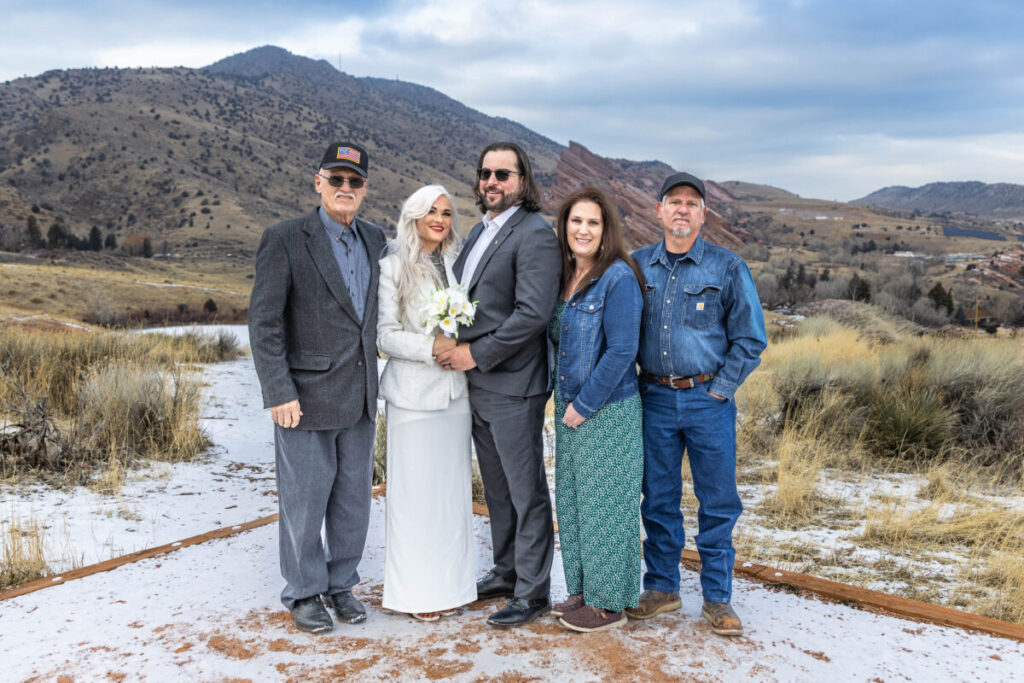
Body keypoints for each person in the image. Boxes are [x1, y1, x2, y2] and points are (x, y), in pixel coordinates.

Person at [248, 142, 385, 634]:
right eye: (336, 179)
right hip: (302, 398)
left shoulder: (375, 239)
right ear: (318, 181)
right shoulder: (284, 239)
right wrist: (277, 391)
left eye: (355, 181)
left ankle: (340, 582)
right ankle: (304, 591)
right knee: (304, 500)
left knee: (353, 499)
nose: (345, 188)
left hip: (361, 394)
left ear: (365, 188)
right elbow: (264, 323)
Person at [627, 172, 767, 636]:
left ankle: (718, 598)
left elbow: (751, 340)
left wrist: (721, 390)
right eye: (674, 201)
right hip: (654, 399)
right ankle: (662, 588)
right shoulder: (637, 266)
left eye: (692, 202)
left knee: (718, 501)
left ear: (704, 214)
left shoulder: (727, 268)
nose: (682, 209)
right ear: (660, 211)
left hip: (709, 401)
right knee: (659, 499)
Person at [435, 142, 562, 628]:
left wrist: (474, 353)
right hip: (478, 387)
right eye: (486, 173)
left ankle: (533, 591)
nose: (492, 181)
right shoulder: (480, 234)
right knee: (498, 489)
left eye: (503, 174)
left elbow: (532, 313)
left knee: (526, 491)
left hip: (513, 385)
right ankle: (507, 571)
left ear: (523, 181)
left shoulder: (534, 235)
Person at [547, 187, 645, 633]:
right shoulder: (565, 276)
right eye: (575, 221)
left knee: (607, 505)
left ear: (606, 231)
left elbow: (622, 350)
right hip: (569, 409)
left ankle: (610, 604)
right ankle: (583, 591)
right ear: (564, 226)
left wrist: (584, 405)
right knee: (573, 503)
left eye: (593, 222)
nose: (583, 229)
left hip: (605, 410)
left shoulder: (618, 277)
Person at [376, 185, 476, 621]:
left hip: (455, 394)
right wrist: (429, 346)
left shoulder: (457, 264)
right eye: (431, 211)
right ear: (413, 215)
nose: (440, 218)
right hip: (413, 399)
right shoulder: (393, 265)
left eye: (447, 212)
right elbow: (383, 335)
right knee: (414, 497)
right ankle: (416, 594)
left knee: (450, 495)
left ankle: (450, 585)